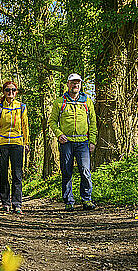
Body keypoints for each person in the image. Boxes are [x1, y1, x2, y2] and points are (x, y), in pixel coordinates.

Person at [48, 73, 97, 211]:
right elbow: (52, 121)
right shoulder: (60, 101)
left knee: (85, 171)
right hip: (66, 142)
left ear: (80, 85)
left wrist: (92, 141)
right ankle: (69, 201)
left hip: (83, 142)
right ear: (68, 84)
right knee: (66, 171)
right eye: (73, 82)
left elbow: (93, 121)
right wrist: (59, 134)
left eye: (78, 83)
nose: (75, 85)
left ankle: (86, 199)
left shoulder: (87, 100)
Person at [0, 81, 29, 214]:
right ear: (4, 92)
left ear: (16, 92)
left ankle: (17, 204)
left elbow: (25, 126)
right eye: (8, 90)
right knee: (3, 174)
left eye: (13, 90)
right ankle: (5, 203)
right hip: (2, 144)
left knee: (17, 174)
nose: (10, 92)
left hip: (17, 144)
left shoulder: (22, 107)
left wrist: (26, 142)